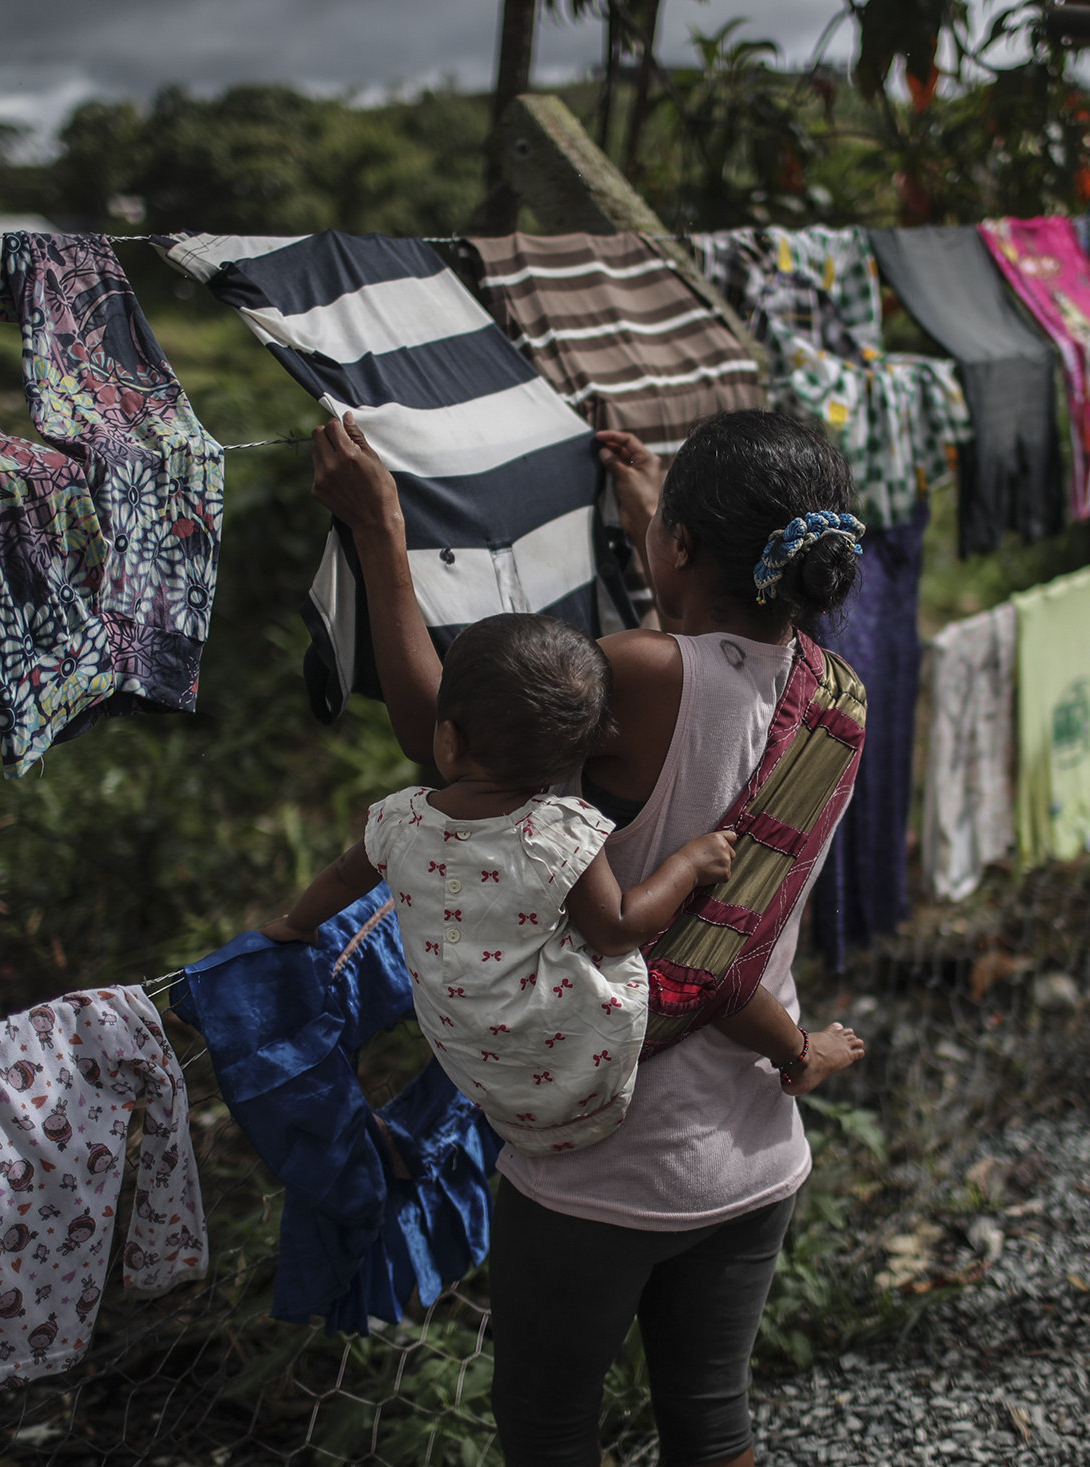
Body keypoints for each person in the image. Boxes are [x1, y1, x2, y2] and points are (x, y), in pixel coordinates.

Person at [305, 407, 869, 1467]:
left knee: (551, 1435)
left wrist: (382, 529)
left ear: (684, 549)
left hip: (601, 1166)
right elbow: (719, 677)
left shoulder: (641, 673)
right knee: (712, 1429)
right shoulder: (835, 697)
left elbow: (448, 736)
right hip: (753, 1152)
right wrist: (670, 532)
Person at [257, 612, 864, 1156]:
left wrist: (297, 925)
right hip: (576, 1058)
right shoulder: (556, 832)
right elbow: (618, 929)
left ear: (448, 739)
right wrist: (687, 865)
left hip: (470, 1066)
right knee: (714, 968)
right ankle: (799, 1053)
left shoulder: (398, 820)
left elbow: (341, 877)